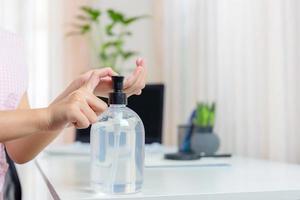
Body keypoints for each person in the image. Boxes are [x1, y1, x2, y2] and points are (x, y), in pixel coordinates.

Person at [0, 29, 146, 197]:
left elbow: (19, 148)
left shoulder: (9, 44)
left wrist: (76, 92)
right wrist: (48, 116)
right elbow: (46, 118)